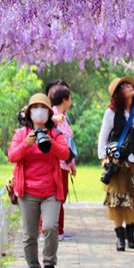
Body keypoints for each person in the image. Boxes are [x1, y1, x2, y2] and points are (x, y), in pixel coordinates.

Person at [7, 93, 71, 268]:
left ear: (49, 112)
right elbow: (12, 156)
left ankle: (49, 264)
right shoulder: (21, 134)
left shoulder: (56, 133)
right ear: (29, 112)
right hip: (27, 191)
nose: (39, 111)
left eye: (42, 107)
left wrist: (49, 143)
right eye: (35, 107)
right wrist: (26, 144)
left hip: (51, 190)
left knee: (51, 227)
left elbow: (65, 153)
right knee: (29, 233)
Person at [97, 76, 134, 251]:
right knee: (117, 198)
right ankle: (120, 236)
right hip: (117, 161)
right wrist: (104, 158)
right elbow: (103, 137)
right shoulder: (111, 112)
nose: (129, 86)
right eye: (124, 86)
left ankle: (130, 232)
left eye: (130, 84)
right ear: (117, 94)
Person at [48, 82, 77, 240]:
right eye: (70, 97)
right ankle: (52, 230)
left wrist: (72, 164)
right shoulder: (52, 115)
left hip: (64, 163)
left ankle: (59, 230)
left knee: (61, 196)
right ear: (64, 99)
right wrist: (54, 120)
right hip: (55, 164)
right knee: (55, 196)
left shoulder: (63, 117)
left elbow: (68, 143)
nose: (71, 100)